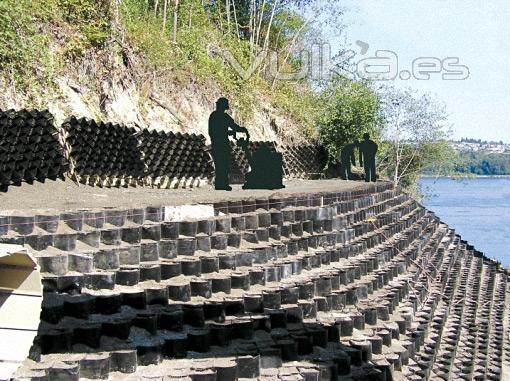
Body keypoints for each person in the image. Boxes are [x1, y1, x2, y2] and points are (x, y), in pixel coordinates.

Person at [208, 98, 249, 191]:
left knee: (219, 165)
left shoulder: (213, 115)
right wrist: (243, 129)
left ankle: (219, 184)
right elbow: (234, 127)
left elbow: (212, 131)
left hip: (215, 143)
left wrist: (228, 133)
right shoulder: (225, 117)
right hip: (223, 144)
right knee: (224, 164)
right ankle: (223, 184)